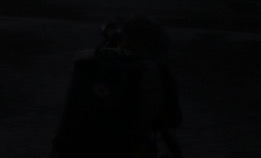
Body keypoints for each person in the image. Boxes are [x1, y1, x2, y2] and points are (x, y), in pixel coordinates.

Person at [50, 16, 182, 158]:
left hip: (72, 148)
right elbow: (174, 119)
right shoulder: (158, 73)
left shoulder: (84, 59)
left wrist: (111, 48)